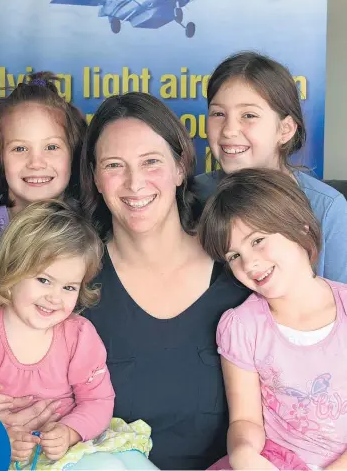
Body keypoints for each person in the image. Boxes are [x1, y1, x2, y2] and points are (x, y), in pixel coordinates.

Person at [78, 92, 250, 470]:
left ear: (179, 168)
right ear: (95, 178)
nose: (134, 183)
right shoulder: (71, 281)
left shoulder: (240, 268)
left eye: (151, 162)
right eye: (114, 165)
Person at [0, 72, 87, 409]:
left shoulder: (90, 228)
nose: (36, 162)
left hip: (65, 406)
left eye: (51, 146)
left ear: (72, 154)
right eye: (19, 148)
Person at [199, 168, 347, 471]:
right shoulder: (242, 326)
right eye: (233, 256)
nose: (249, 263)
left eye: (258, 241)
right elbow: (245, 419)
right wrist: (243, 452)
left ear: (301, 227)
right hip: (276, 462)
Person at [0, 200, 114, 466]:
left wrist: (70, 431)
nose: (54, 298)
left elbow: (99, 400)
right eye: (44, 280)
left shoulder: (79, 336)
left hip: (71, 452)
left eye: (69, 288)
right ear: (12, 272)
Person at [194, 51, 347, 282]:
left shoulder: (327, 209)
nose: (228, 130)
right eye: (218, 114)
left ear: (285, 129)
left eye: (248, 115)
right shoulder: (191, 196)